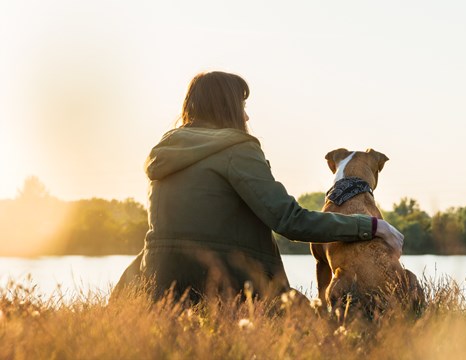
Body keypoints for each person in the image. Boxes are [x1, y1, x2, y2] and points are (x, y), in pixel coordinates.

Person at [113, 71, 404, 304]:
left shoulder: (164, 153)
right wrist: (369, 226)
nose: (247, 116)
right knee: (316, 329)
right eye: (242, 107)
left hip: (158, 286)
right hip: (228, 285)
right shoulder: (237, 149)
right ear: (226, 108)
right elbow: (291, 220)